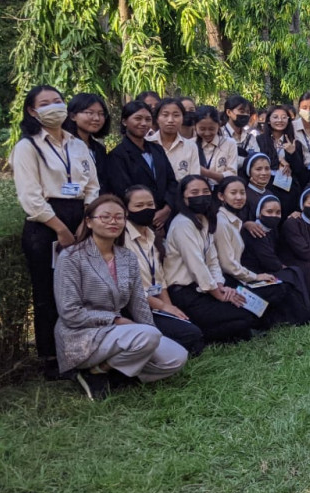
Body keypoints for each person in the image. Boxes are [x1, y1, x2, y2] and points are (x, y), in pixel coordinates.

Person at [54, 195, 187, 399]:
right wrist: (116, 320)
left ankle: (104, 372)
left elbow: (138, 303)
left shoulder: (127, 257)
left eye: (119, 217)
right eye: (105, 217)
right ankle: (95, 371)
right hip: (82, 334)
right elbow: (69, 312)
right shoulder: (71, 257)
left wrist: (151, 333)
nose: (113, 222)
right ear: (89, 222)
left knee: (177, 357)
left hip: (116, 333)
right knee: (147, 337)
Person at [12, 85, 101, 378]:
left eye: (58, 101)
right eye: (46, 103)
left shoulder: (78, 145)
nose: (54, 107)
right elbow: (31, 197)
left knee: (80, 289)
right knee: (48, 291)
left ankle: (83, 350)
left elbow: (92, 186)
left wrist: (85, 221)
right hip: (46, 225)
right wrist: (61, 229)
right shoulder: (27, 147)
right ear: (32, 111)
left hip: (81, 220)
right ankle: (51, 357)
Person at [163, 175, 258, 343]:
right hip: (185, 292)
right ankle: (199, 334)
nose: (201, 196)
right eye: (194, 192)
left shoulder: (205, 220)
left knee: (247, 311)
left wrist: (220, 285)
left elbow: (212, 260)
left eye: (205, 191)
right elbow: (196, 265)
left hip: (205, 288)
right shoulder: (182, 224)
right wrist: (218, 293)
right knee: (242, 319)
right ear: (183, 198)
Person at [215, 177, 310, 327]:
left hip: (240, 276)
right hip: (230, 281)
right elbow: (228, 265)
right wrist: (255, 277)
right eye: (233, 193)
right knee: (280, 287)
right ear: (221, 196)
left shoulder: (235, 220)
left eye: (242, 192)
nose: (239, 197)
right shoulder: (221, 222)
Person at [122, 186, 205, 356]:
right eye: (138, 206)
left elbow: (160, 279)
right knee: (192, 335)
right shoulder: (120, 239)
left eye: (150, 204)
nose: (146, 209)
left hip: (158, 301)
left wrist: (169, 307)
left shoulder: (152, 235)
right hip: (135, 306)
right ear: (126, 210)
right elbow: (129, 288)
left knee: (192, 329)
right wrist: (162, 307)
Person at [107, 101, 177, 229]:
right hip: (136, 221)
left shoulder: (157, 149)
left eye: (148, 119)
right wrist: (149, 214)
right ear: (124, 121)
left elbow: (171, 181)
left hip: (165, 218)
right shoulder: (118, 155)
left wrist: (167, 209)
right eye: (138, 118)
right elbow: (123, 191)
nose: (144, 123)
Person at [65, 93, 112, 194]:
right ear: (73, 116)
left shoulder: (99, 149)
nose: (96, 118)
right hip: (72, 204)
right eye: (90, 113)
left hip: (99, 205)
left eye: (101, 114)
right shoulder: (63, 146)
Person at [256, 104, 309, 192]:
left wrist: (293, 154)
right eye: (275, 117)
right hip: (266, 187)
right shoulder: (260, 140)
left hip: (289, 190)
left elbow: (300, 170)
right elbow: (257, 163)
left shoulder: (294, 142)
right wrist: (280, 160)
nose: (280, 120)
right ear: (268, 121)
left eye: (284, 117)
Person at [149, 98, 201, 181]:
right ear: (157, 119)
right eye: (165, 115)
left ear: (182, 118)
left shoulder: (191, 147)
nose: (170, 120)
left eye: (176, 115)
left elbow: (194, 180)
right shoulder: (147, 143)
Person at [243, 151, 297, 219]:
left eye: (267, 168)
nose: (264, 173)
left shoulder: (270, 194)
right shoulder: (244, 196)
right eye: (258, 169)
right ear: (249, 171)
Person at [193, 106, 237, 187]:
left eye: (211, 129)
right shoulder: (191, 144)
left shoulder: (229, 143)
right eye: (202, 129)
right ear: (195, 126)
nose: (207, 133)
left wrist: (205, 172)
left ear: (219, 125)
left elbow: (232, 175)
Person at [221, 95, 258, 171]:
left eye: (248, 112)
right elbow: (223, 160)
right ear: (229, 112)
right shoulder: (220, 134)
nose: (245, 115)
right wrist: (247, 161)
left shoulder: (250, 137)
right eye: (241, 111)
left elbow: (257, 159)